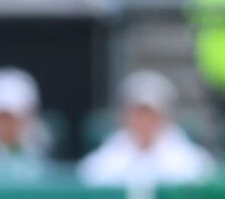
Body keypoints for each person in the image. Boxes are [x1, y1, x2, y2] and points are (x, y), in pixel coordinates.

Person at [79, 70, 215, 186]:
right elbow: (91, 174)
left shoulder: (191, 159)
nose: (143, 121)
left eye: (150, 114)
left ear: (165, 115)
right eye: (137, 114)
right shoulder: (108, 156)